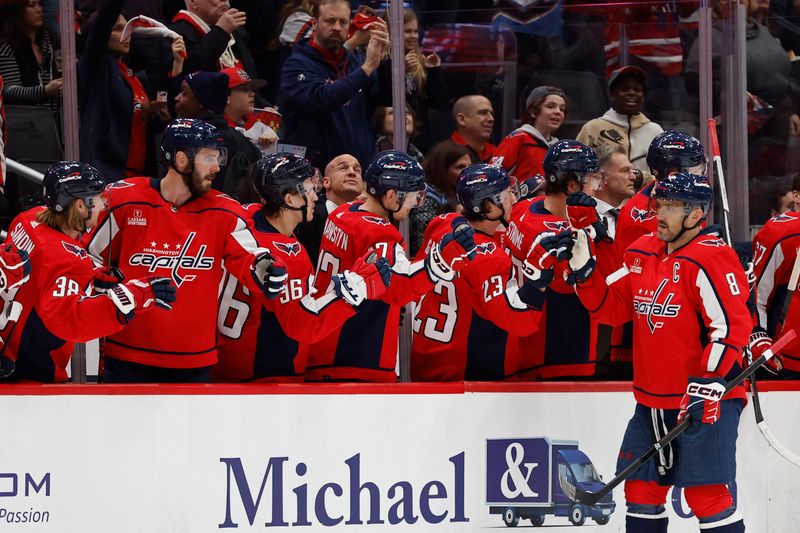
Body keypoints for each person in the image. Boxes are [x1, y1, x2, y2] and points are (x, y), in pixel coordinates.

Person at [573, 172, 750, 533]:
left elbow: (732, 327)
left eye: (672, 207)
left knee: (707, 496)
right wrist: (583, 273)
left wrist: (710, 382)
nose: (661, 214)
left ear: (697, 214)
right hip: (651, 399)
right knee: (641, 490)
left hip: (705, 397)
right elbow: (611, 308)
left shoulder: (711, 258)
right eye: (660, 205)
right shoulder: (641, 251)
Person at [84, 119, 287, 383]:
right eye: (209, 157)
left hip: (195, 359)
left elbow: (248, 257)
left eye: (219, 157)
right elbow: (87, 257)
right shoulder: (125, 200)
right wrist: (100, 283)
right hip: (127, 356)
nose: (217, 167)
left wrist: (266, 269)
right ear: (181, 159)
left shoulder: (225, 211)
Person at [215, 153, 391, 382]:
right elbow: (306, 326)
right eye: (308, 190)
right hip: (268, 378)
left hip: (223, 367)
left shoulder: (245, 216)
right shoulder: (289, 256)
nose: (315, 196)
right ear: (289, 199)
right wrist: (354, 288)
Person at [306, 150, 477, 382]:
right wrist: (442, 260)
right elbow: (400, 287)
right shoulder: (379, 232)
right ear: (391, 196)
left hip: (323, 349)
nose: (414, 204)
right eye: (412, 196)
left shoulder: (343, 214)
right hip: (357, 358)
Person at [0, 161, 176, 383]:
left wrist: (90, 279)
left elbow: (40, 275)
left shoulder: (26, 219)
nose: (103, 205)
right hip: (29, 374)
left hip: (7, 350)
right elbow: (70, 320)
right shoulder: (65, 260)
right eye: (98, 198)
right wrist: (131, 297)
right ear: (80, 206)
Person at [411, 164, 554, 381]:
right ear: (488, 207)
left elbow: (457, 222)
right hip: (463, 375)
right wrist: (538, 282)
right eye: (507, 196)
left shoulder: (441, 224)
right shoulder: (491, 258)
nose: (514, 201)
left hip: (425, 360)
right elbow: (519, 322)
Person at [503, 139, 606, 380]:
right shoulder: (561, 236)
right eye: (592, 179)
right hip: (558, 353)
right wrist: (591, 230)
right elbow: (589, 285)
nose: (597, 187)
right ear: (572, 185)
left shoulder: (525, 208)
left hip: (524, 345)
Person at [79, 0, 185, 181]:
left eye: (128, 29)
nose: (126, 35)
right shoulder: (97, 67)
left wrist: (177, 67)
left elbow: (151, 124)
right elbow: (103, 22)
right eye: (118, 29)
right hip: (107, 172)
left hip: (140, 176)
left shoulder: (136, 78)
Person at [279, 0, 392, 169]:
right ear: (315, 23)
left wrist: (384, 61)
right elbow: (322, 99)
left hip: (358, 171)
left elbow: (386, 98)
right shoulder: (295, 65)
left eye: (343, 22)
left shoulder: (355, 62)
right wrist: (367, 68)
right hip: (314, 175)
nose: (337, 28)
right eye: (330, 21)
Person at [615, 131, 706, 258]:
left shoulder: (682, 198)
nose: (701, 175)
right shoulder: (638, 222)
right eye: (696, 170)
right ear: (673, 174)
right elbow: (635, 273)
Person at [175, 70, 261, 198]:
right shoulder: (246, 143)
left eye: (184, 93)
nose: (177, 98)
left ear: (201, 102)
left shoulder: (192, 140)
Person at [577, 66, 663, 178]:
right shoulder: (592, 128)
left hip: (645, 195)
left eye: (637, 89)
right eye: (625, 89)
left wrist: (642, 177)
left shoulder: (655, 131)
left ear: (643, 96)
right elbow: (577, 168)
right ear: (613, 94)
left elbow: (663, 173)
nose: (632, 93)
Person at [294, 152, 363, 265]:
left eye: (357, 170)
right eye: (343, 168)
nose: (352, 172)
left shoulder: (370, 222)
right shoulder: (306, 218)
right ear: (326, 182)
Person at [0, 0, 62, 123]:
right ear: (17, 11)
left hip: (53, 121)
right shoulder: (7, 47)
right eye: (32, 5)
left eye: (40, 4)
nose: (39, 10)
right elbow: (8, 91)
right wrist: (45, 90)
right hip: (25, 124)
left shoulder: (47, 41)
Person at [169, 0, 260, 83]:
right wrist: (220, 32)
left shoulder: (236, 31)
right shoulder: (173, 34)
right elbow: (189, 78)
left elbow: (251, 81)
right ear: (193, 2)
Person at [491, 85, 566, 181]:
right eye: (550, 106)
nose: (558, 112)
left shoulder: (558, 148)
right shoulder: (517, 139)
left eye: (562, 109)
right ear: (533, 111)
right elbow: (492, 178)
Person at [410, 140, 472, 255]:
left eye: (469, 167)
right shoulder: (425, 198)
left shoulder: (461, 193)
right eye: (460, 167)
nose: (467, 173)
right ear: (442, 169)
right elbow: (424, 243)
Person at [583, 144, 637, 241]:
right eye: (625, 171)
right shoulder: (581, 217)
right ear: (601, 176)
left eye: (632, 170)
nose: (633, 177)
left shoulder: (634, 216)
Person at [450, 94, 496, 163]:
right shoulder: (444, 155)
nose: (491, 119)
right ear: (461, 119)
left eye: (491, 114)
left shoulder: (497, 154)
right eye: (483, 113)